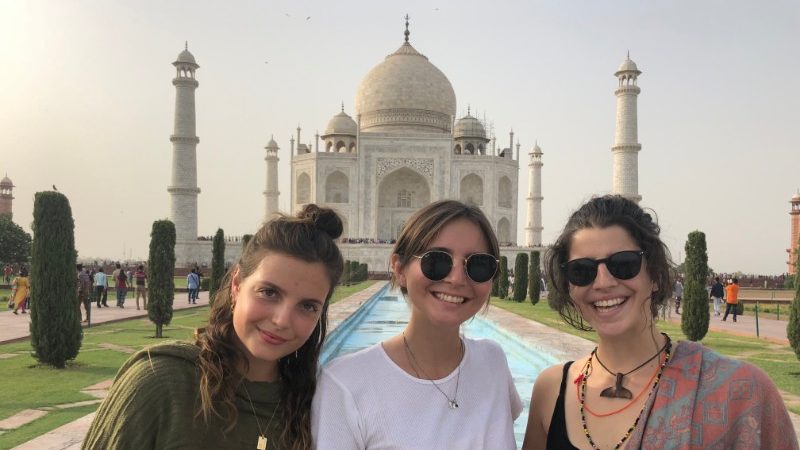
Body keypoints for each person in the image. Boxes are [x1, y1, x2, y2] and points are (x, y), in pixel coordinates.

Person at [522, 195, 796, 449]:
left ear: (654, 275)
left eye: (624, 264)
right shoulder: (551, 390)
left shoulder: (740, 391)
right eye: (582, 270)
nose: (603, 282)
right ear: (569, 286)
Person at [82, 204, 344, 450]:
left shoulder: (316, 404)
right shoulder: (163, 383)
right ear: (236, 285)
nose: (282, 320)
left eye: (307, 306)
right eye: (269, 292)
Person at [312, 200, 522, 448]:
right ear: (399, 268)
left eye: (478, 265)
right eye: (437, 262)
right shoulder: (345, 384)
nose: (456, 278)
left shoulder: (492, 361)